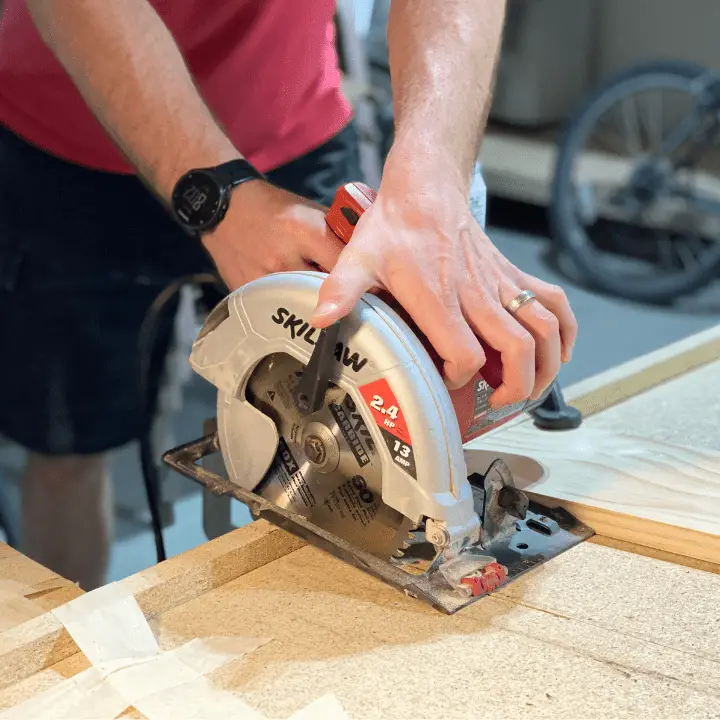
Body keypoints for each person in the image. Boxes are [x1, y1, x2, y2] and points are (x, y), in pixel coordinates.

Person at [0, 0, 577, 589]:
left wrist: (432, 181)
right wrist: (217, 194)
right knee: (66, 453)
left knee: (352, 450)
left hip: (289, 118)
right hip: (66, 139)